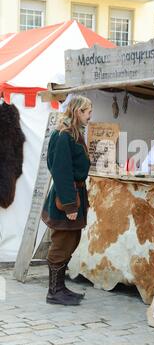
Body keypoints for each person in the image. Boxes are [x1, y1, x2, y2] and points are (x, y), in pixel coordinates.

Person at [42, 95, 92, 306]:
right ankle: (54, 291)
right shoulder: (64, 135)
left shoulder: (74, 133)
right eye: (87, 111)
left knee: (71, 241)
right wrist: (70, 205)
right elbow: (61, 171)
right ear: (77, 111)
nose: (90, 115)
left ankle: (60, 287)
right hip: (66, 197)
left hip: (75, 194)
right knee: (61, 242)